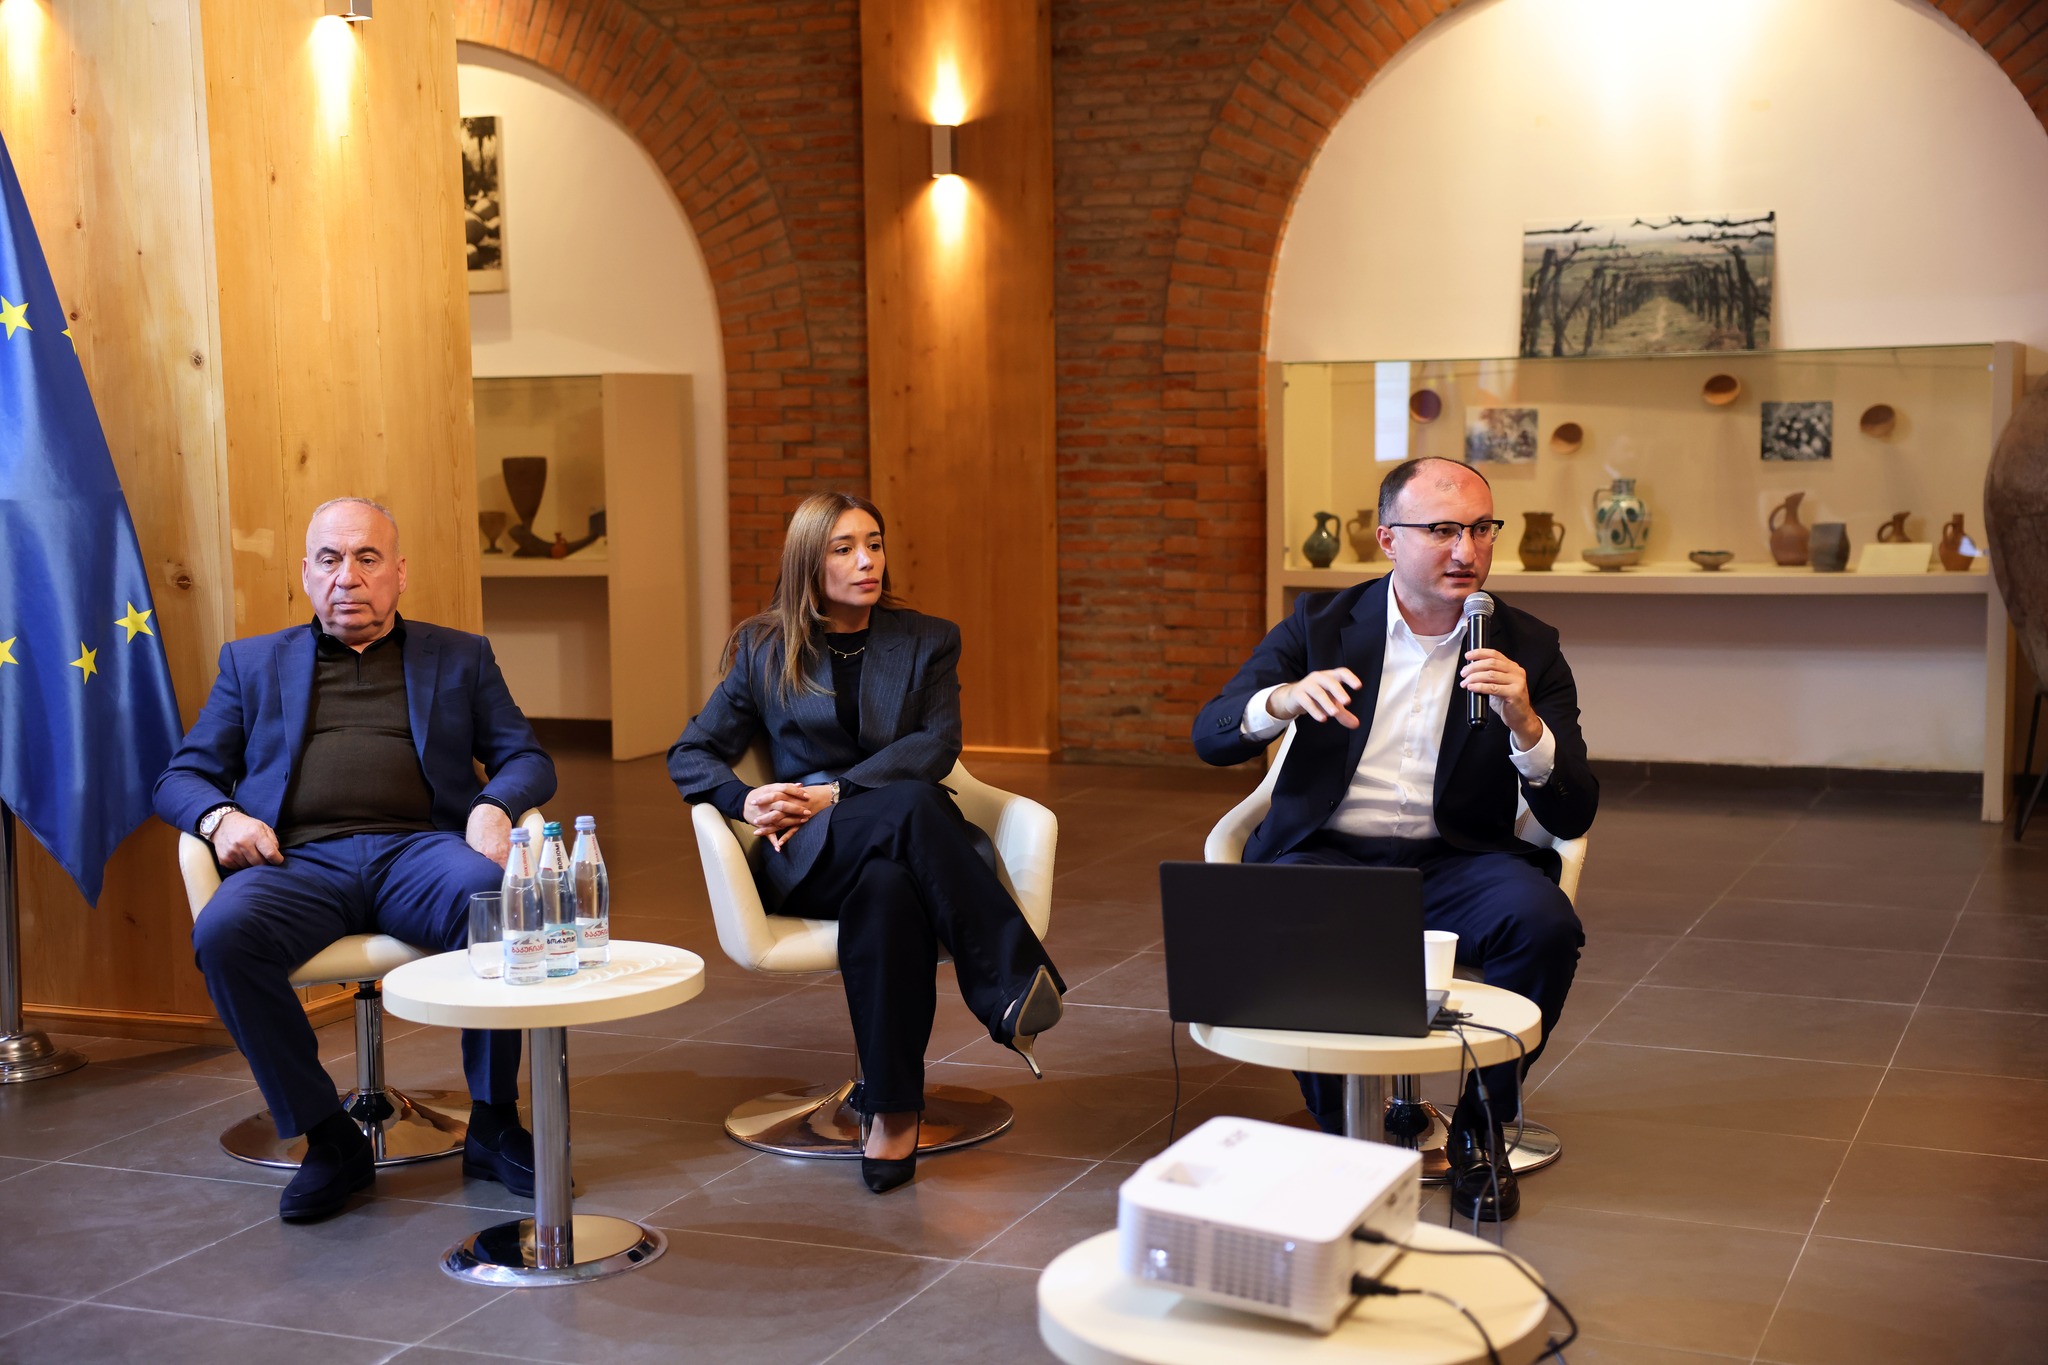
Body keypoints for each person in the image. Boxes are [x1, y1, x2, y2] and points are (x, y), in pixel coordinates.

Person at [1191, 457, 1596, 1221]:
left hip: (1460, 858)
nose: (1467, 551)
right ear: (1387, 539)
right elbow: (1211, 735)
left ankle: (1481, 1124)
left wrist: (1526, 724)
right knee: (1283, 922)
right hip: (1329, 853)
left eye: (1481, 529)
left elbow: (1574, 810)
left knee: (1544, 924)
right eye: (1442, 530)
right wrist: (1281, 699)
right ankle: (1346, 1128)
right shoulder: (1321, 624)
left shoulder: (1528, 647)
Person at [154, 498, 556, 1222]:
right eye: (330, 559)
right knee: (224, 933)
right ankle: (328, 1136)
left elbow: (526, 756)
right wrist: (220, 817)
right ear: (306, 574)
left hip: (421, 852)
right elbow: (181, 777)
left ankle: (494, 1122)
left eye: (367, 558)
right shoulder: (251, 663)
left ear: (399, 573)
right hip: (299, 861)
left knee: (494, 901)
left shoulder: (460, 656)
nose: (348, 576)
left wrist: (494, 804)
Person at [669, 491, 1063, 1194]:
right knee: (910, 802)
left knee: (888, 889)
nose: (866, 561)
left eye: (874, 544)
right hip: (811, 852)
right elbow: (691, 752)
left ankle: (892, 1109)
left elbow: (937, 745)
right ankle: (1008, 980)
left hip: (906, 843)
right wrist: (743, 799)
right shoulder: (763, 648)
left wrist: (838, 790)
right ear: (808, 562)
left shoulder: (928, 639)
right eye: (844, 548)